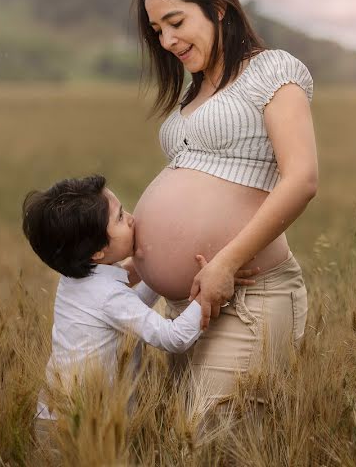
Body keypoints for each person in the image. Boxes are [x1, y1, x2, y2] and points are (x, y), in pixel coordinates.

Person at [132, 0, 318, 413]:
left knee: (211, 442)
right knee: (184, 444)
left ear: (217, 7)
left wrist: (225, 265)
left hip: (245, 295)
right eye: (158, 31)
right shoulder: (192, 94)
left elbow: (302, 179)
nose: (168, 41)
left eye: (176, 22)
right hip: (184, 307)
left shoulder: (271, 71)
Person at [20, 174, 259, 440]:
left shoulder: (76, 282)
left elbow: (128, 312)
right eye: (120, 217)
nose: (132, 218)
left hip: (57, 415)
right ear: (97, 252)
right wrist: (209, 294)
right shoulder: (108, 296)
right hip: (80, 427)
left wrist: (161, 268)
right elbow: (174, 337)